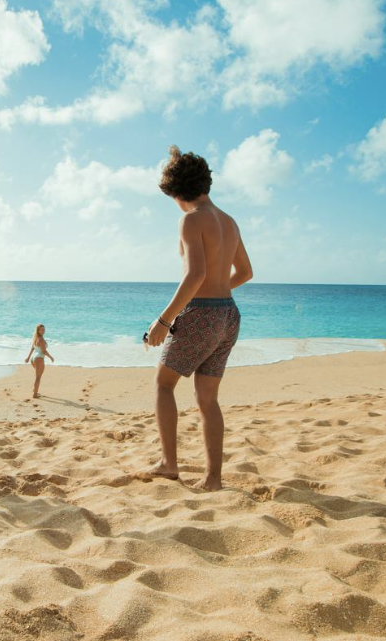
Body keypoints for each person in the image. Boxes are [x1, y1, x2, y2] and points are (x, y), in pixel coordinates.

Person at [142, 146, 253, 490]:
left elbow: (195, 275)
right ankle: (213, 479)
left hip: (202, 314)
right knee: (208, 399)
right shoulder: (229, 221)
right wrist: (218, 294)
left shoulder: (190, 219)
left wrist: (163, 321)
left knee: (164, 384)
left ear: (177, 192)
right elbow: (245, 273)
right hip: (229, 315)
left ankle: (169, 464)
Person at [24, 323, 54, 398]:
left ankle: (35, 390)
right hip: (39, 358)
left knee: (37, 376)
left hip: (33, 359)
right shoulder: (40, 339)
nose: (43, 331)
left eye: (44, 329)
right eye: (41, 330)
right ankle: (35, 394)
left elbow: (32, 348)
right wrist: (51, 357)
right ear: (38, 331)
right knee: (38, 377)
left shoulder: (36, 338)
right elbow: (43, 351)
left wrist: (28, 357)